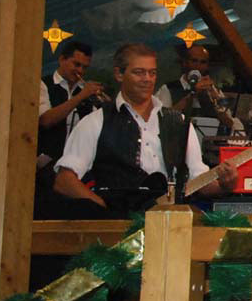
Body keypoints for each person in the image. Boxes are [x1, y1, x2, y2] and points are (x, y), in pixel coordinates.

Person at [53, 43, 236, 214]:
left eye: (152, 73)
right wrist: (102, 209)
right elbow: (64, 181)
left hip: (167, 222)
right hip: (117, 223)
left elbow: (198, 179)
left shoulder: (177, 121)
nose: (147, 79)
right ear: (119, 74)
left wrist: (225, 185)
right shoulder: (96, 121)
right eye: (139, 72)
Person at [38, 39, 105, 169]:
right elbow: (45, 120)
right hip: (45, 165)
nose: (80, 71)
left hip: (75, 165)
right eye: (76, 64)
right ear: (62, 59)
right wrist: (81, 96)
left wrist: (103, 106)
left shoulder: (84, 91)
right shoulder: (43, 84)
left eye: (85, 67)